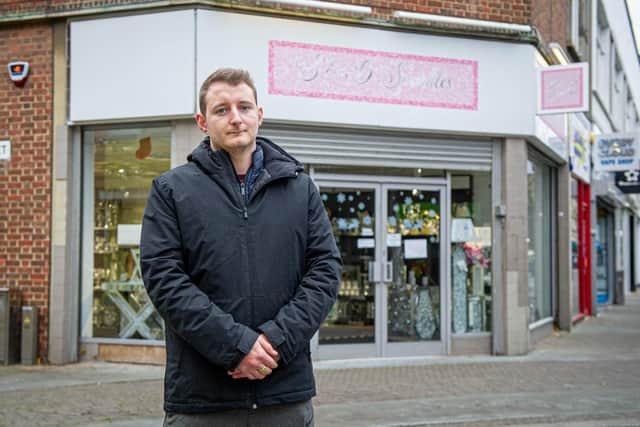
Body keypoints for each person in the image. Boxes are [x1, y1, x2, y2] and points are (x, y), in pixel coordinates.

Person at [140, 68, 342, 426]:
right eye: (222, 110)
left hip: (283, 396)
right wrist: (236, 347)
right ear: (202, 122)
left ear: (259, 116)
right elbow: (164, 279)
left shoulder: (300, 189)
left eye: (244, 107)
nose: (236, 118)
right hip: (202, 401)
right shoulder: (171, 191)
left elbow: (324, 271)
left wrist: (273, 343)